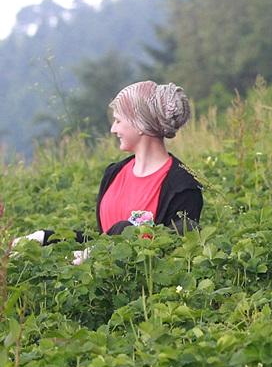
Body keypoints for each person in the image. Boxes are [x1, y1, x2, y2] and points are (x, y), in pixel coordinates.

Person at [14, 81, 202, 249]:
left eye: (118, 120)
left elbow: (175, 251)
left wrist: (104, 247)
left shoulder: (183, 187)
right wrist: (46, 237)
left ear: (140, 124)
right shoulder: (114, 173)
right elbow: (103, 241)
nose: (113, 129)